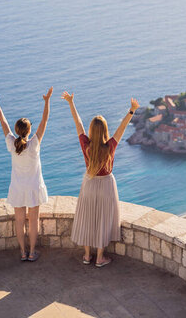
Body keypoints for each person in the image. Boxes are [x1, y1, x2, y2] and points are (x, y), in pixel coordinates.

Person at [62, 91, 139, 267]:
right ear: (105, 130)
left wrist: (71, 103)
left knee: (89, 218)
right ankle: (100, 258)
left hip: (89, 184)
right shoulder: (110, 146)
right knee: (103, 219)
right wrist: (132, 110)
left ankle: (87, 255)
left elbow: (78, 123)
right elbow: (122, 128)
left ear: (91, 131)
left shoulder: (85, 145)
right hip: (106, 185)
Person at [0, 86, 52, 262]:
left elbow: (3, 122)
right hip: (34, 188)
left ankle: (22, 253)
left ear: (17, 130)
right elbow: (45, 120)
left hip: (17, 188)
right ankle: (32, 253)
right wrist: (47, 101)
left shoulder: (12, 144)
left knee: (20, 222)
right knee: (34, 222)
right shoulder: (35, 144)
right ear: (29, 131)